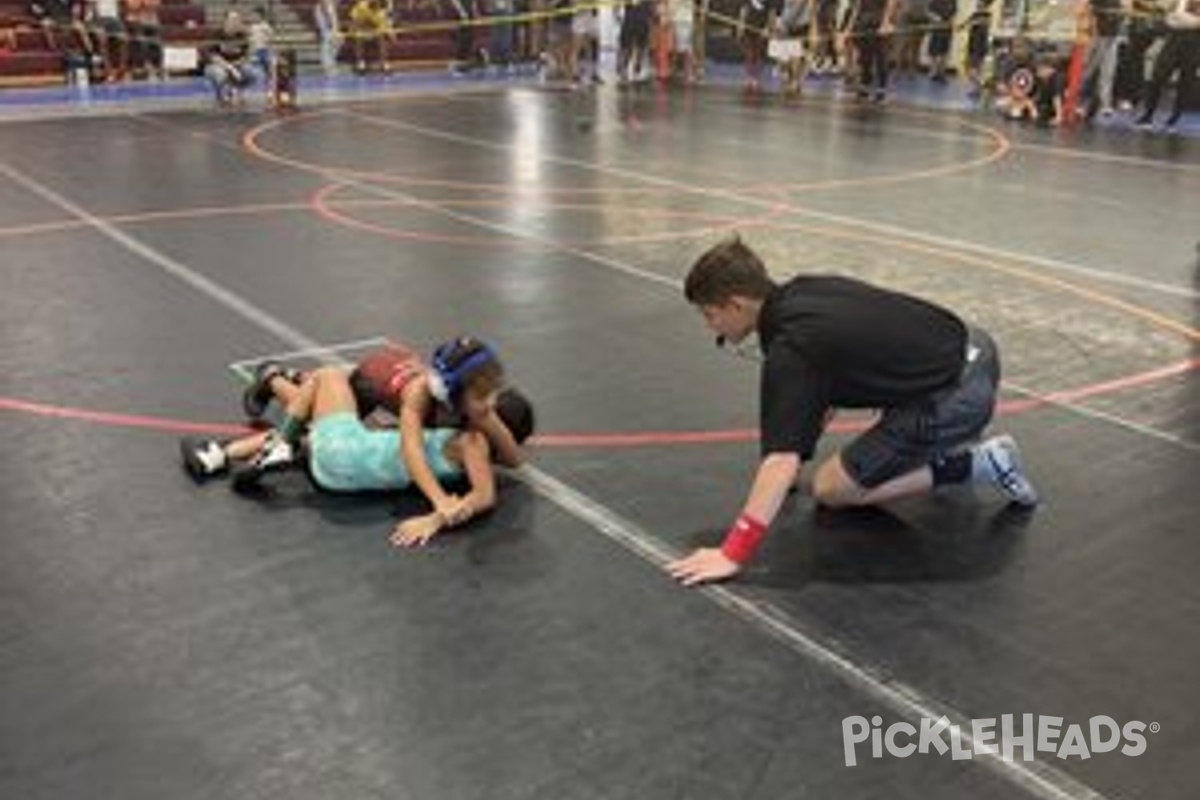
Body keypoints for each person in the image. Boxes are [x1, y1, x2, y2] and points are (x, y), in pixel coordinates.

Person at [666, 237, 1038, 587]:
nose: (709, 326)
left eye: (710, 314)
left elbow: (780, 458)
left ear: (736, 304)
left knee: (832, 489)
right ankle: (948, 436)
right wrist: (797, 449)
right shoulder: (804, 291)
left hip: (959, 393)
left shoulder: (792, 349)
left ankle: (983, 462)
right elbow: (823, 391)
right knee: (844, 457)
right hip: (972, 345)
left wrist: (733, 553)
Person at [181, 367, 535, 548]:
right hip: (337, 480)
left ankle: (248, 441)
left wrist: (437, 515)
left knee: (328, 377)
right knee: (316, 426)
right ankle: (230, 442)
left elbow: (482, 493)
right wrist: (435, 518)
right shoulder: (470, 460)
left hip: (343, 449)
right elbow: (484, 493)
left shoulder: (472, 440)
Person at [233, 337, 525, 519]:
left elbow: (515, 460)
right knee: (316, 413)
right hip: (371, 382)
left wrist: (488, 416)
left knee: (324, 405)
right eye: (483, 397)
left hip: (400, 383)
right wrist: (439, 501)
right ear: (454, 391)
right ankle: (272, 378)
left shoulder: (465, 397)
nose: (490, 402)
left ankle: (291, 377)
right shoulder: (420, 395)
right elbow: (411, 452)